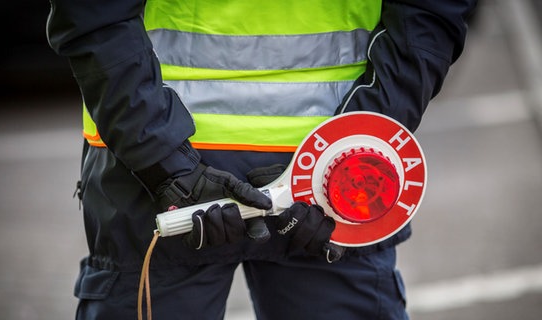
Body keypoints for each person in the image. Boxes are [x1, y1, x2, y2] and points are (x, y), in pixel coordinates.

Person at [47, 1, 476, 319]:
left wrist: (166, 164)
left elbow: (93, 14)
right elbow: (428, 17)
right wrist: (350, 151)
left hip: (159, 167)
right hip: (332, 175)